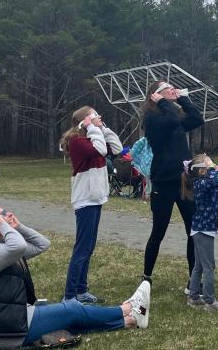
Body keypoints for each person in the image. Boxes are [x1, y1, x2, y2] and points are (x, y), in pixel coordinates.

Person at [0, 205, 150, 347]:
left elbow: (42, 244)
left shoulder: (4, 249)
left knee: (73, 321)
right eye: (1, 216)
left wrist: (18, 226)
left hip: (5, 325)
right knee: (73, 309)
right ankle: (126, 308)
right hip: (4, 330)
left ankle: (130, 320)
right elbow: (19, 246)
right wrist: (7, 228)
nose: (8, 215)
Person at [141, 81, 204, 287]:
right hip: (163, 181)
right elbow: (168, 121)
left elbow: (196, 119)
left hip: (184, 181)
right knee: (158, 230)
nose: (172, 89)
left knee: (192, 230)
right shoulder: (152, 119)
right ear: (156, 95)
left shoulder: (173, 117)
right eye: (167, 88)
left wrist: (183, 99)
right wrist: (163, 103)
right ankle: (147, 276)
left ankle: (193, 280)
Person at [62, 106, 122, 303]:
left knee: (89, 247)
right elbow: (101, 150)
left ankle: (81, 290)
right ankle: (70, 295)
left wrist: (103, 129)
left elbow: (117, 148)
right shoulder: (77, 141)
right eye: (95, 115)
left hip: (96, 197)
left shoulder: (93, 136)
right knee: (82, 248)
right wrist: (95, 130)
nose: (99, 117)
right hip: (85, 198)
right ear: (84, 121)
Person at [181, 153, 218, 311]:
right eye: (207, 164)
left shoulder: (202, 181)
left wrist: (210, 167)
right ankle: (209, 300)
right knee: (209, 266)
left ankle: (194, 296)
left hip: (200, 228)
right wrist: (213, 167)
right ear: (201, 170)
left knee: (199, 265)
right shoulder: (202, 182)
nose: (212, 165)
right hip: (204, 229)